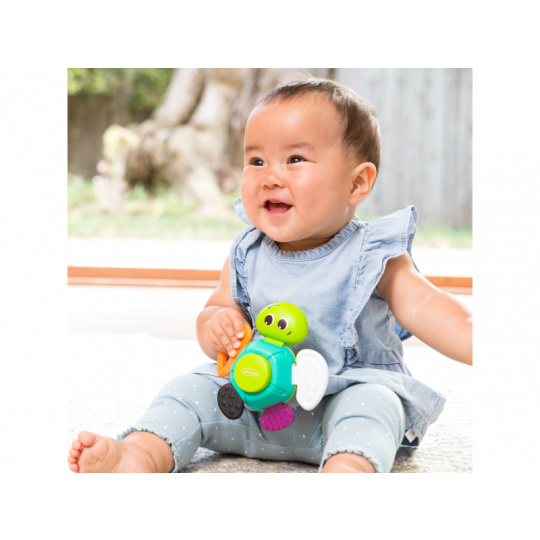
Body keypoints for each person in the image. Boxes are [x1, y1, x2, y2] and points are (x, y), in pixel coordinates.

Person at [68, 77, 472, 473]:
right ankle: (140, 454)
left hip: (341, 400)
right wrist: (217, 325)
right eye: (256, 161)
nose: (270, 176)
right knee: (186, 389)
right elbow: (215, 310)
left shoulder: (373, 254)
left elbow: (428, 307)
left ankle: (349, 466)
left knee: (375, 406)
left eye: (295, 159)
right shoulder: (248, 252)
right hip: (252, 401)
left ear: (357, 183)